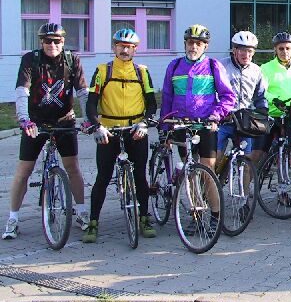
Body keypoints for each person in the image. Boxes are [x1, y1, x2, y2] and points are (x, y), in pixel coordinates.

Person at [4, 23, 90, 240]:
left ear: (63, 42)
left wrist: (89, 119)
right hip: (35, 122)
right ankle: (13, 218)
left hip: (64, 120)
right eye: (48, 41)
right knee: (24, 170)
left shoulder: (72, 59)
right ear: (41, 42)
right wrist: (24, 119)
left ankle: (81, 212)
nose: (52, 44)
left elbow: (83, 92)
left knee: (72, 167)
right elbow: (22, 90)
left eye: (57, 41)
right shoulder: (31, 59)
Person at [82, 29, 158, 243]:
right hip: (109, 130)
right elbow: (90, 102)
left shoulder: (142, 71)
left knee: (140, 176)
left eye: (129, 46)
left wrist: (145, 123)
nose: (124, 50)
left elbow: (151, 103)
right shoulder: (102, 70)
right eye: (121, 46)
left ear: (135, 49)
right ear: (114, 47)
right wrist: (97, 126)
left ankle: (144, 218)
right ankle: (93, 222)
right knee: (103, 178)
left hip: (135, 130)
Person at [160, 24, 236, 233]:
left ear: (205, 46)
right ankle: (196, 215)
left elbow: (229, 97)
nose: (194, 47)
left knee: (207, 171)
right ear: (185, 44)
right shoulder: (174, 66)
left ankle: (215, 215)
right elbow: (167, 98)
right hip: (181, 125)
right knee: (189, 171)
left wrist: (216, 115)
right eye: (190, 43)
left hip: (205, 126)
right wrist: (164, 126)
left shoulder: (213, 66)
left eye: (198, 43)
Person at [258, 32, 291, 179]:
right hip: (271, 114)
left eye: (288, 48)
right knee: (261, 152)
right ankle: (254, 181)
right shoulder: (266, 68)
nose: (284, 52)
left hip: (290, 115)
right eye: (281, 48)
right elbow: (261, 91)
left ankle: (283, 189)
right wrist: (274, 99)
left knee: (286, 151)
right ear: (275, 49)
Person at [216, 31, 268, 159]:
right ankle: (216, 177)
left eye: (250, 51)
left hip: (244, 122)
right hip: (224, 121)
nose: (246, 54)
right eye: (242, 50)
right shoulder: (221, 66)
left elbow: (260, 96)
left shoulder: (256, 70)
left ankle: (243, 179)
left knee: (246, 161)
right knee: (215, 159)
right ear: (234, 50)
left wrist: (263, 112)